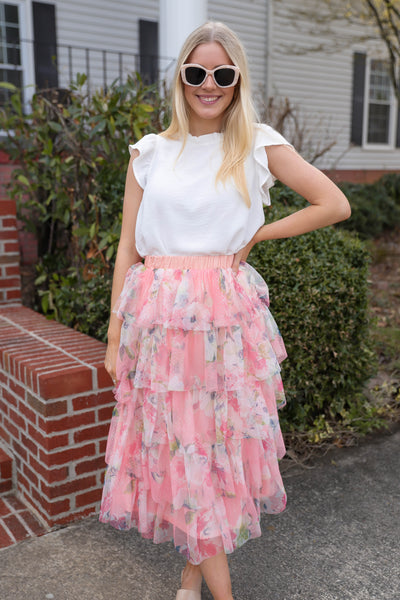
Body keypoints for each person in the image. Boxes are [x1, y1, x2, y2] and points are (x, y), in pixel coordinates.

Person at [99, 21, 350, 600]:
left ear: (237, 80)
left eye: (221, 74)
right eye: (195, 73)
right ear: (180, 79)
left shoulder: (256, 143)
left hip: (224, 324)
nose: (207, 85)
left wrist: (259, 236)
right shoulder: (149, 152)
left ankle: (209, 587)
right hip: (158, 322)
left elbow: (333, 203)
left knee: (210, 451)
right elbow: (126, 247)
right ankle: (194, 575)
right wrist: (114, 337)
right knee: (179, 450)